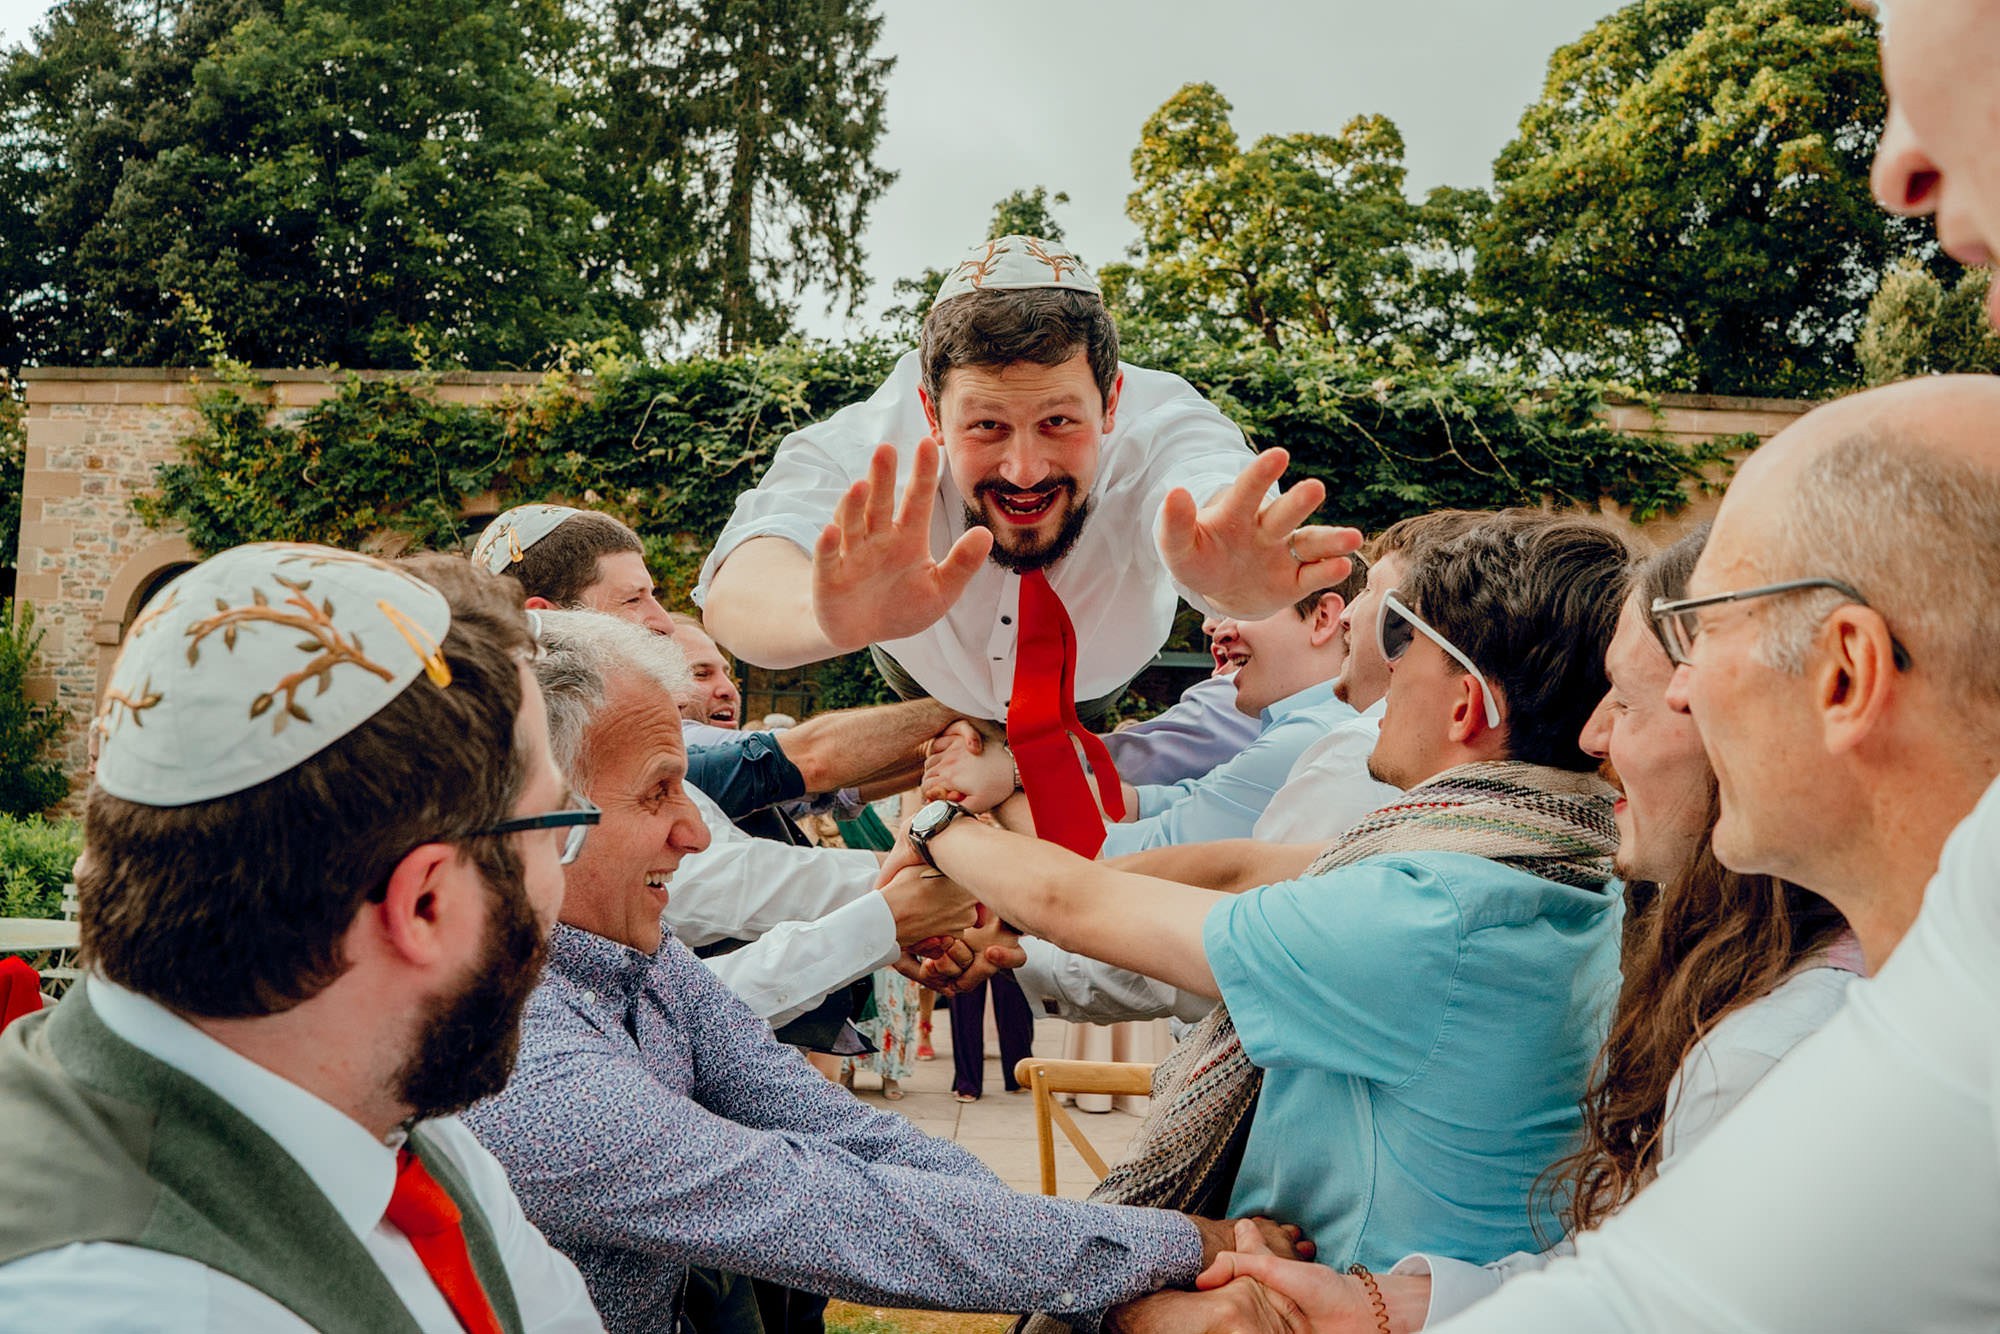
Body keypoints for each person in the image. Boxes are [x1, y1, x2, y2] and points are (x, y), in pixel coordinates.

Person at [1213, 377, 2000, 1334]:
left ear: (1846, 672)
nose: (1610, 727)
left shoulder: (1806, 1043)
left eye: (1704, 637)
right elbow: (1651, 1279)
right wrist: (1384, 1304)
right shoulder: (1889, 992)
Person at [459, 610, 1313, 1333]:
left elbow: (852, 1136)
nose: (690, 831)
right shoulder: (521, 1052)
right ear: (534, 813)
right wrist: (1181, 1249)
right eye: (659, 794)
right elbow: (821, 1209)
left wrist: (1097, 1278)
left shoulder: (627, 958)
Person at [886, 514, 1633, 1301]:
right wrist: (1006, 919)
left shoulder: (1432, 912)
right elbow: (1241, 867)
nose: (1375, 659)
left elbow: (1073, 896)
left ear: (1465, 708)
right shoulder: (1533, 857)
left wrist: (939, 826)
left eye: (1404, 643)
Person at [1167, 529, 1864, 1332]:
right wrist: (1385, 1306)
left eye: (1634, 702)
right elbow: (1638, 1270)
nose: (1596, 737)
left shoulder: (1770, 1043)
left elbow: (1655, 1307)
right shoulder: (1677, 941)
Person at [0, 544, 601, 1331]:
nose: (556, 877)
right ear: (424, 901)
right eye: (554, 827)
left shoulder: (367, 1108)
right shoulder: (131, 1303)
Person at [696, 234, 1359, 860]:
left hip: (1087, 693)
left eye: (1057, 423)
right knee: (947, 780)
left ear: (1112, 402)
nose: (1024, 469)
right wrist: (825, 618)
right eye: (986, 425)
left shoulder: (1165, 421)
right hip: (924, 675)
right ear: (930, 412)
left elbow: (1213, 487)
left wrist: (1228, 576)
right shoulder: (868, 440)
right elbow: (744, 577)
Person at [475, 503, 955, 821]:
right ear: (547, 619)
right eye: (633, 600)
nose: (663, 623)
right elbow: (802, 763)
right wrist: (976, 704)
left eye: (655, 597)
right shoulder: (574, 751)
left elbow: (829, 783)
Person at [921, 559, 1380, 854]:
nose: (1214, 628)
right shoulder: (1301, 723)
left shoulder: (1307, 738)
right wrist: (1016, 773)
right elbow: (1145, 804)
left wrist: (998, 784)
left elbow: (1120, 859)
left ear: (1323, 618)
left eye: (1243, 605)